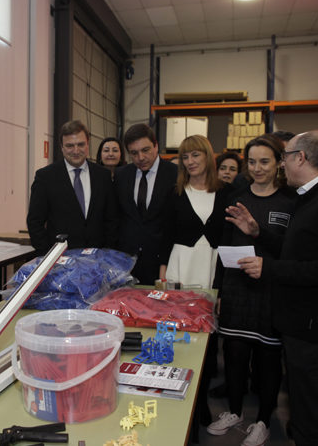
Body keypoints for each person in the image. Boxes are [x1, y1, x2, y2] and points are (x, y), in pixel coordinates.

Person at [226, 130, 318, 446]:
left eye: (285, 157)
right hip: (304, 324)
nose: (281, 164)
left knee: (312, 418)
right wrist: (259, 232)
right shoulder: (312, 195)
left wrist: (270, 268)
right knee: (302, 411)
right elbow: (298, 252)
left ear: (300, 158)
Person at [207, 135, 295, 445]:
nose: (258, 168)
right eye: (253, 162)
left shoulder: (290, 201)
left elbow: (292, 250)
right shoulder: (236, 198)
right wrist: (219, 290)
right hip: (237, 289)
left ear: (279, 163)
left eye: (265, 161)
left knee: (268, 361)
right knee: (234, 355)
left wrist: (260, 235)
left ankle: (264, 420)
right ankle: (234, 411)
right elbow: (223, 246)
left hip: (271, 292)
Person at [27, 120, 118, 254]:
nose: (76, 151)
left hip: (98, 258)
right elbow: (35, 222)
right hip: (60, 259)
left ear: (88, 144)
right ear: (62, 147)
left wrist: (106, 253)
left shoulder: (103, 176)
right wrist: (49, 256)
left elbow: (112, 220)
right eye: (70, 145)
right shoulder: (45, 177)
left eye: (80, 144)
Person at [159, 134, 232, 288]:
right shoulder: (175, 193)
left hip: (213, 267)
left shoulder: (226, 192)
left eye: (195, 155)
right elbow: (166, 236)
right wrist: (162, 274)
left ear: (207, 156)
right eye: (185, 157)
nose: (190, 161)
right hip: (180, 266)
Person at [114, 123, 177, 285]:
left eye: (145, 150)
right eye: (134, 153)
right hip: (127, 263)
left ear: (156, 146)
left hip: (161, 262)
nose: (140, 158)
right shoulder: (121, 175)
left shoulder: (175, 174)